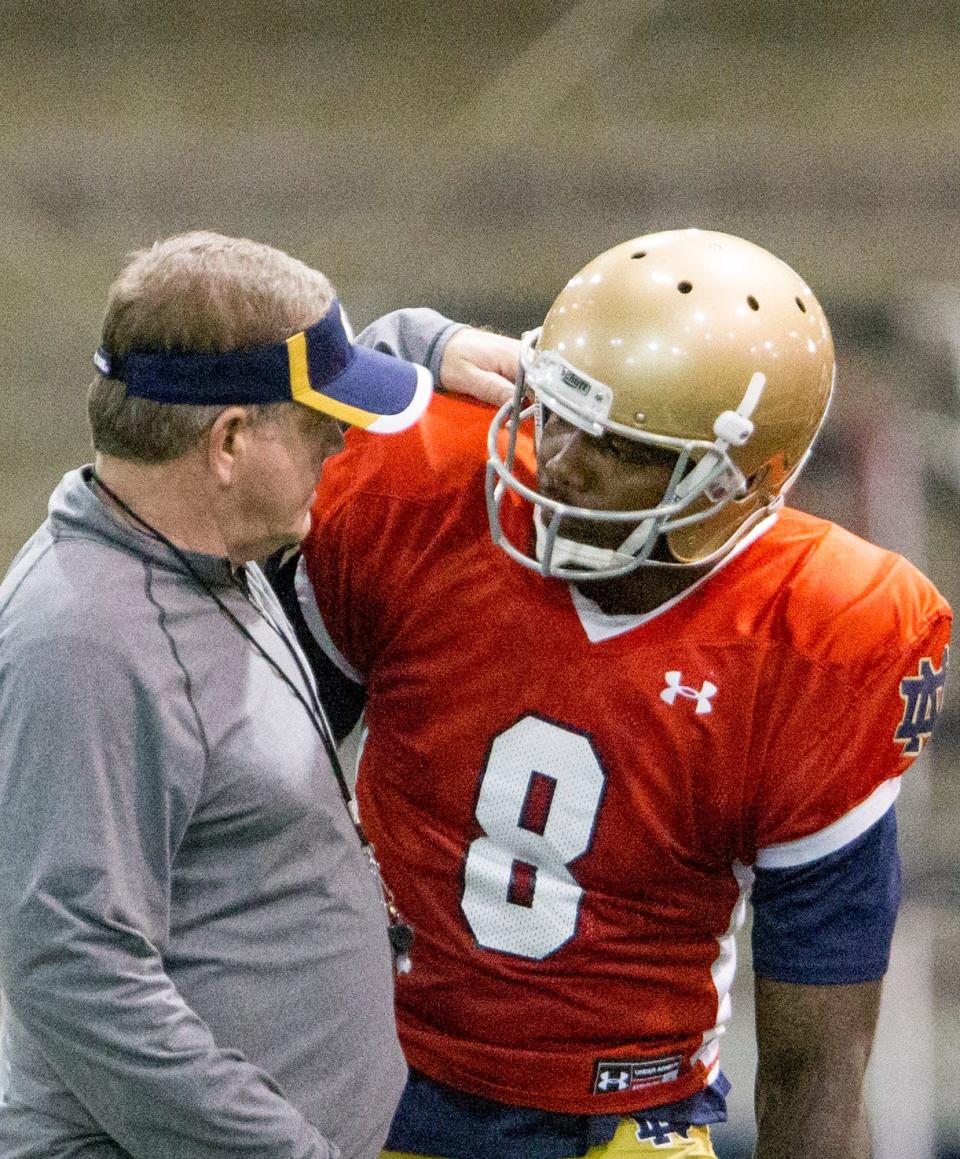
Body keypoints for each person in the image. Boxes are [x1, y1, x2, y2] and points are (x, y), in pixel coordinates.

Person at [278, 229, 952, 1159]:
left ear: (739, 485)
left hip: (628, 1120)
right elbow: (248, 801)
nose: (559, 461)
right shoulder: (424, 479)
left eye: (619, 444)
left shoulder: (824, 632)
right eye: (558, 410)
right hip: (360, 1080)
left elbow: (816, 1065)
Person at [0, 229, 516, 1159]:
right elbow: (77, 973)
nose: (341, 446)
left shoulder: (193, 539)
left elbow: (254, 347)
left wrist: (422, 345)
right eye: (323, 426)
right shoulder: (88, 646)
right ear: (230, 438)